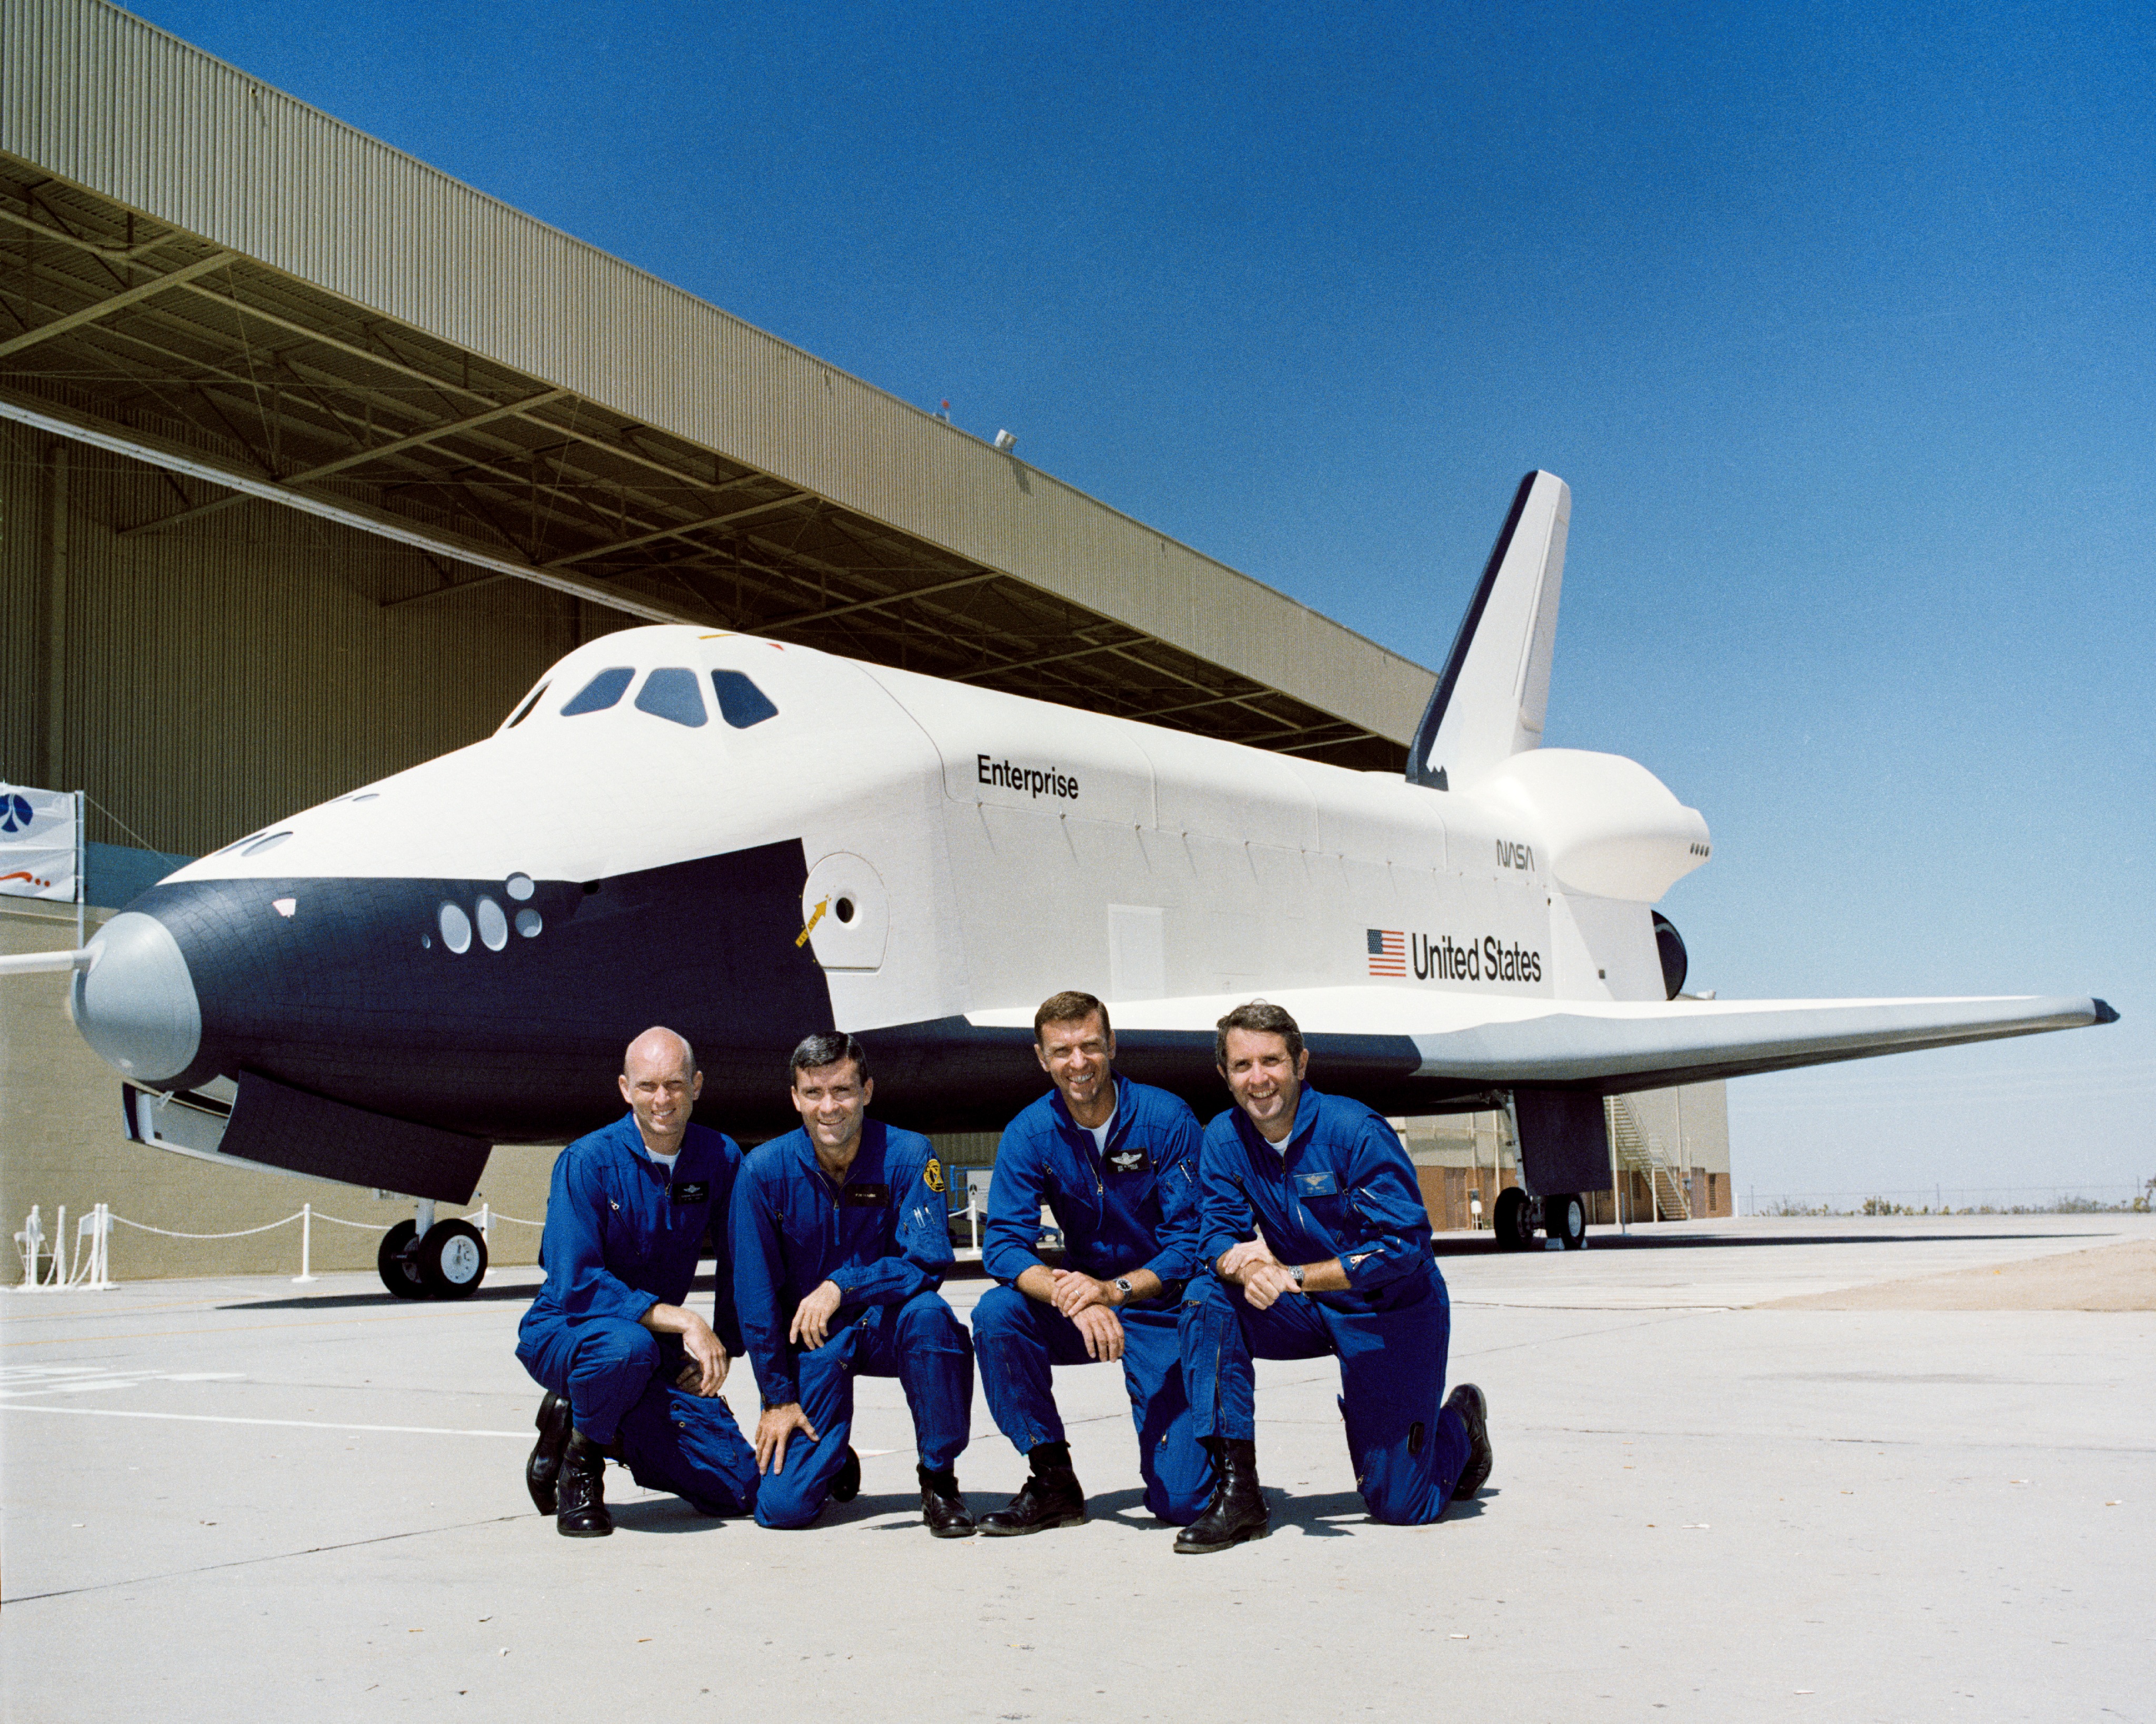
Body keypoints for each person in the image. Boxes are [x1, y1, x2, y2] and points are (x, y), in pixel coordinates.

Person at [1175, 1001, 1493, 1553]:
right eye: (1242, 1065)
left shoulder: (1354, 1131)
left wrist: (1291, 1275)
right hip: (1307, 1308)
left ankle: (1460, 1426)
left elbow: (1403, 1247)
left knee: (1401, 1506)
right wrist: (1243, 1265)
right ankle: (1239, 1492)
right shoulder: (1224, 1139)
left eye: (1271, 1061)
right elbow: (1214, 1237)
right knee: (1208, 1298)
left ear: (1301, 1063)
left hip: (1390, 1309)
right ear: (1224, 1075)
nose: (1259, 1079)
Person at [971, 991, 1211, 1533]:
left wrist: (1114, 1291)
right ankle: (1052, 1479)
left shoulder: (1166, 1119)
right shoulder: (1030, 1133)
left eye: (1090, 1047)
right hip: (1084, 1306)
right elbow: (1004, 1245)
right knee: (997, 1313)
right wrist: (1070, 1296)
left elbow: (1189, 1242)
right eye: (1062, 1051)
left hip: (1161, 1307)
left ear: (1112, 1046)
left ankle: (1206, 1451)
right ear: (1041, 1057)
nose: (1077, 1064)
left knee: (1184, 1504)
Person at [515, 1027, 757, 1537]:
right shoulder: (586, 1162)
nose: (662, 1099)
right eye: (647, 1086)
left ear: (697, 1085)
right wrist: (686, 1320)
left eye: (674, 1084)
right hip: (569, 1330)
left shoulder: (720, 1158)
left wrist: (724, 1347)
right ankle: (581, 1466)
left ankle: (583, 1415)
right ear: (625, 1088)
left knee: (737, 1489)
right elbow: (576, 1281)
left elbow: (740, 1262)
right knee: (624, 1349)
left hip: (656, 1344)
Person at [731, 1032, 977, 1535]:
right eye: (814, 1093)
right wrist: (778, 1399)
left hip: (890, 1325)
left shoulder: (910, 1155)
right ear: (795, 1097)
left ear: (867, 1090)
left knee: (931, 1318)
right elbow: (754, 1297)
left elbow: (927, 1262)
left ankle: (938, 1479)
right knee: (783, 1511)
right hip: (816, 1344)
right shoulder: (762, 1171)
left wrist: (842, 1285)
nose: (829, 1107)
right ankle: (833, 1459)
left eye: (842, 1091)